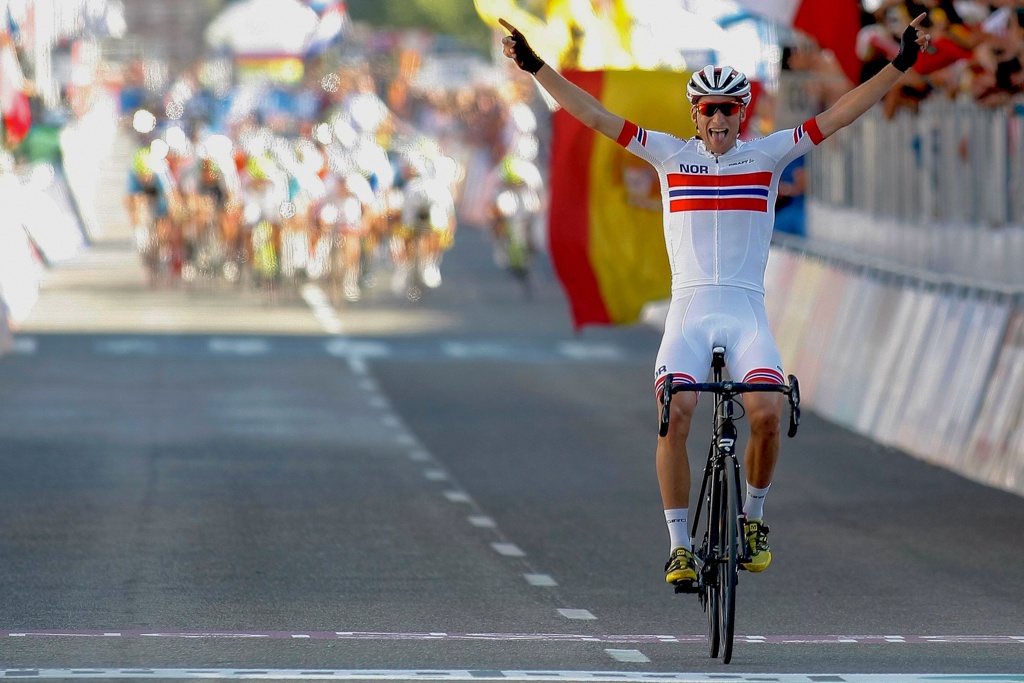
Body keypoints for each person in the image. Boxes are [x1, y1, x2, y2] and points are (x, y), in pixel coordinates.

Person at [499, 14, 930, 586]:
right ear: (695, 115)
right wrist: (535, 68)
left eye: (731, 109)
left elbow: (842, 113)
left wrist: (900, 65)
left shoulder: (770, 155)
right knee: (675, 414)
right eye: (710, 109)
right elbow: (594, 114)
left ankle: (752, 518)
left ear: (742, 114)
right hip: (691, 313)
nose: (720, 118)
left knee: (768, 416)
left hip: (747, 311)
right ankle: (680, 545)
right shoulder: (670, 156)